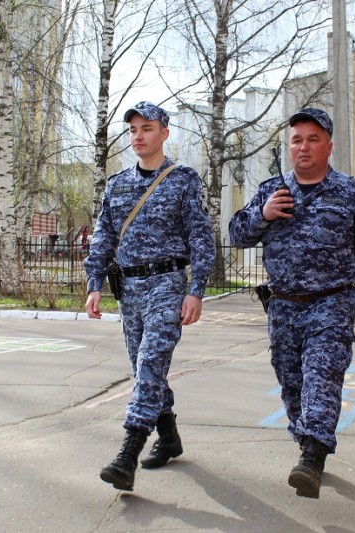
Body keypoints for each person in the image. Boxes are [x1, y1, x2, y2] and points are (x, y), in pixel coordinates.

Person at [228, 108, 355, 499]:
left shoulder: (351, 192)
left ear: (329, 146)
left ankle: (313, 456)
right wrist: (262, 216)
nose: (304, 147)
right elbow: (236, 234)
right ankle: (306, 444)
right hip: (283, 307)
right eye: (297, 140)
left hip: (331, 304)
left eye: (313, 139)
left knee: (322, 377)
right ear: (290, 147)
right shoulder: (271, 190)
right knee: (292, 387)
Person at [84, 101, 215, 491]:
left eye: (147, 128)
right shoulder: (117, 184)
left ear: (164, 134)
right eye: (133, 130)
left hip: (167, 286)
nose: (138, 136)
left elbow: (202, 239)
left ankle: (128, 453)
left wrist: (196, 290)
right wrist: (94, 283)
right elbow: (103, 236)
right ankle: (170, 437)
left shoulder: (183, 179)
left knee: (150, 361)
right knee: (144, 368)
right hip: (129, 291)